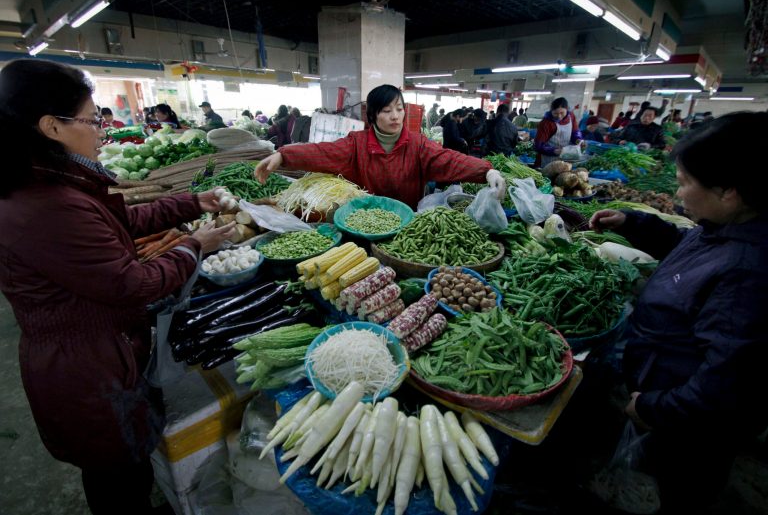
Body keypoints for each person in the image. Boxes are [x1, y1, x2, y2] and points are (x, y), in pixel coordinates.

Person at [0, 59, 236, 515]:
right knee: (118, 480)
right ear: (51, 127)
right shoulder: (47, 205)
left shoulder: (48, 183)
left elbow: (117, 223)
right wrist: (194, 245)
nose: (100, 130)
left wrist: (188, 203)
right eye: (92, 119)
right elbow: (134, 284)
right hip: (88, 369)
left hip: (90, 352)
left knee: (121, 470)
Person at [589, 112, 768, 512]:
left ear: (729, 192)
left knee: (680, 492)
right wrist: (633, 222)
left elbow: (725, 386)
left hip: (689, 427)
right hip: (665, 395)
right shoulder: (726, 228)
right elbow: (688, 246)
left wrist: (654, 408)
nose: (677, 189)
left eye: (686, 181)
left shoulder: (749, 272)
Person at [253, 84, 505, 209]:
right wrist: (282, 156)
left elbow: (448, 159)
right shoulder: (357, 144)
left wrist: (486, 171)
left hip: (408, 222)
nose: (396, 116)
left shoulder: (417, 145)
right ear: (372, 116)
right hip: (363, 222)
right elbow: (323, 152)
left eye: (399, 109)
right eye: (387, 111)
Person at [533, 97, 582, 167]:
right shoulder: (546, 123)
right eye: (555, 113)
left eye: (562, 113)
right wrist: (553, 151)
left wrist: (578, 140)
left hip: (565, 159)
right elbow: (538, 146)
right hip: (547, 160)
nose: (559, 116)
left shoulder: (571, 117)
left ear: (567, 109)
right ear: (551, 111)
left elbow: (575, 132)